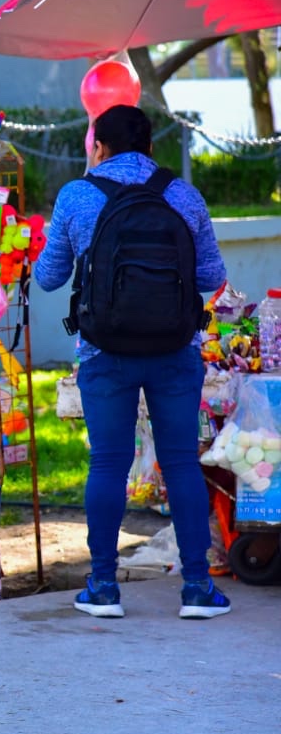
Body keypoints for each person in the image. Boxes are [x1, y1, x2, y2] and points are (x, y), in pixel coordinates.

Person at [33, 104, 230, 620]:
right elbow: (211, 276)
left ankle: (101, 587)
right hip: (175, 350)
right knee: (183, 461)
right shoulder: (183, 195)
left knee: (108, 463)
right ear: (151, 146)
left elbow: (50, 278)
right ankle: (198, 590)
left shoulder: (77, 195)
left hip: (104, 352)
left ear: (97, 146)